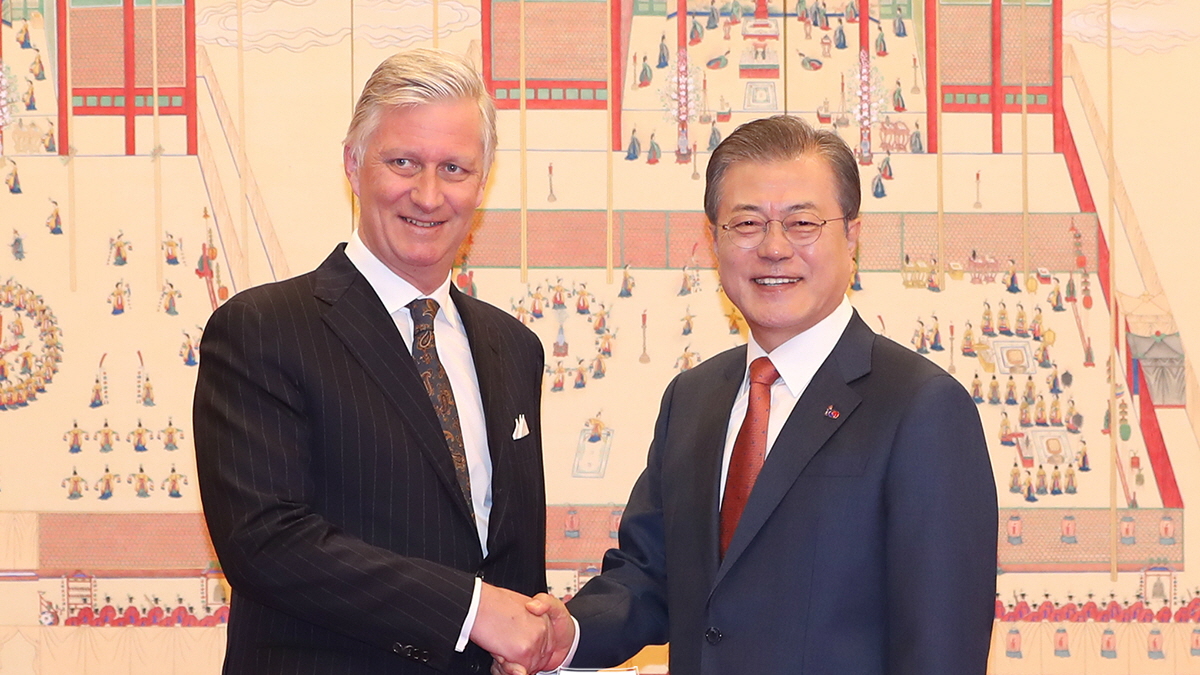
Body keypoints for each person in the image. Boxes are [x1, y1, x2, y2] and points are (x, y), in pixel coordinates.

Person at [529, 115, 997, 675]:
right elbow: (650, 574)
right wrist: (567, 632)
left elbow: (940, 649)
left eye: (803, 222)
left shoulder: (921, 407)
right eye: (747, 223)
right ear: (714, 240)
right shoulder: (693, 398)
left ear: (851, 234)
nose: (774, 248)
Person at [194, 49, 569, 675]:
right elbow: (265, 541)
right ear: (352, 164)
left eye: (454, 168)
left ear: (482, 182)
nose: (427, 195)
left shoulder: (514, 347)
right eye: (402, 163)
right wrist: (471, 611)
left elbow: (504, 556)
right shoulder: (262, 329)